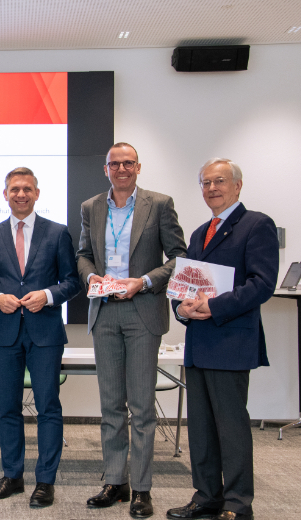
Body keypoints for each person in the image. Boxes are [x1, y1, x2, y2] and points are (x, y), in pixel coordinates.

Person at [77, 142, 186, 518]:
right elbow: (83, 254)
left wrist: (145, 281)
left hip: (143, 312)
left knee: (141, 407)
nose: (121, 169)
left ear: (138, 167)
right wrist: (91, 276)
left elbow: (179, 257)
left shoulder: (160, 204)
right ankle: (115, 482)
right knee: (110, 406)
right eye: (115, 164)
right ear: (105, 169)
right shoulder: (91, 207)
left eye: (128, 163)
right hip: (104, 311)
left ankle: (141, 488)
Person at [167, 159, 278, 520]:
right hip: (199, 343)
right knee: (200, 430)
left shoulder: (256, 225)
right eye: (206, 182)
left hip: (230, 343)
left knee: (231, 430)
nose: (212, 188)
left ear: (237, 185)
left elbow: (262, 284)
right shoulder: (200, 232)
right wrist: (181, 308)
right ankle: (206, 498)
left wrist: (213, 307)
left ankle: (237, 505)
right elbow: (185, 284)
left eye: (220, 181)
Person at [0, 167, 80, 509]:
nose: (20, 194)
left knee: (48, 407)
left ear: (37, 193)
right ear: (5, 194)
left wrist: (48, 296)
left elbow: (72, 281)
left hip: (45, 332)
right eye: (14, 189)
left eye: (27, 189)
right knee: (7, 408)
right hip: (5, 332)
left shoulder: (58, 232)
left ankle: (45, 481)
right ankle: (13, 476)